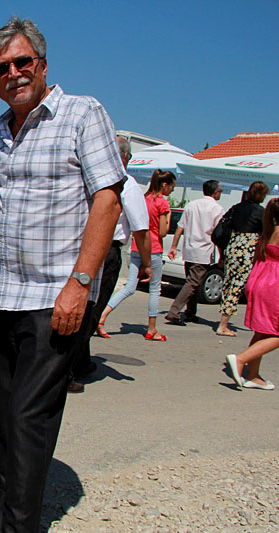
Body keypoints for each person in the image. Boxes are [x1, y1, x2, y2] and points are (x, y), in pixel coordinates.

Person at [0, 18, 124, 533]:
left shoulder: (82, 113)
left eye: (21, 62)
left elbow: (107, 199)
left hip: (57, 297)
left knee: (30, 418)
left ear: (43, 65)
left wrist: (80, 284)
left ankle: (19, 527)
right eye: (0, 69)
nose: (13, 73)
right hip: (7, 295)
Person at [68, 136, 151, 393]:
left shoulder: (91, 178)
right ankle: (67, 371)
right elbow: (141, 229)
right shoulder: (127, 185)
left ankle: (81, 362)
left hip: (84, 247)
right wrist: (147, 263)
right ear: (126, 158)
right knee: (90, 311)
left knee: (86, 307)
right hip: (106, 250)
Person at [97, 169, 176, 343]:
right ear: (164, 185)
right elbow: (162, 232)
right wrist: (168, 216)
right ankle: (152, 329)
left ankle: (102, 316)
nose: (172, 190)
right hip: (153, 248)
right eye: (172, 187)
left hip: (135, 247)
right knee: (155, 289)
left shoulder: (144, 198)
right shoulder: (162, 203)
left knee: (130, 287)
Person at [224, 198, 279, 390]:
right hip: (274, 285)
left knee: (262, 331)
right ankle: (241, 359)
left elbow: (257, 258)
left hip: (260, 280)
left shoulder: (267, 232)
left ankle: (253, 375)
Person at [165, 180, 225, 326]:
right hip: (203, 251)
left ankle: (191, 312)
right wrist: (221, 254)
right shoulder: (217, 209)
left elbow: (180, 227)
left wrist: (174, 246)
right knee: (192, 283)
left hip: (189, 249)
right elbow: (219, 234)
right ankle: (174, 311)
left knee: (192, 282)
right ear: (215, 193)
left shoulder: (191, 205)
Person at [216, 181, 269, 336]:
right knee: (238, 286)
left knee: (229, 284)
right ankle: (223, 325)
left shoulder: (236, 208)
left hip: (232, 247)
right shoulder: (261, 212)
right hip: (247, 250)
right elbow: (265, 234)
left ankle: (224, 319)